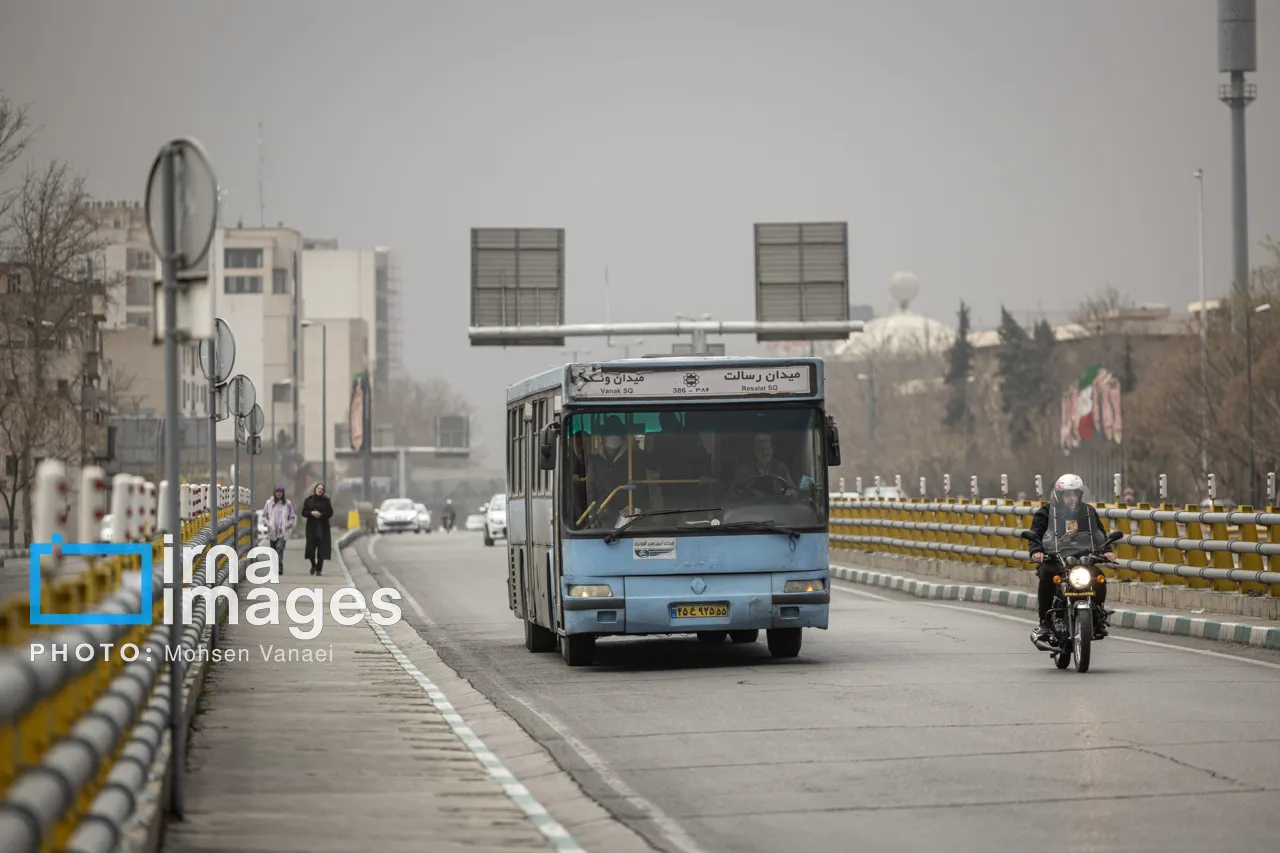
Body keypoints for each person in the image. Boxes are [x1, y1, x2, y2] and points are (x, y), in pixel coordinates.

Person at [1028, 474, 1116, 643]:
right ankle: (1044, 622)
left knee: (1099, 577)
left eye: (1075, 494)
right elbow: (1036, 535)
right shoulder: (1046, 512)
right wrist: (1037, 551)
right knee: (1047, 575)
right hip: (1055, 559)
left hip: (1082, 559)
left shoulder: (1088, 512)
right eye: (1068, 494)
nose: (1072, 498)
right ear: (1059, 495)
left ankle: (1097, 616)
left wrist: (1106, 550)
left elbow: (1098, 533)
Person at [731, 432, 796, 496]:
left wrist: (788, 493)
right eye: (761, 449)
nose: (765, 452)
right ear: (755, 451)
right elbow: (734, 491)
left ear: (772, 450)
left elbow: (792, 490)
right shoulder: (745, 470)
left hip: (776, 502)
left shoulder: (781, 467)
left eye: (768, 449)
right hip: (751, 502)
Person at [261, 485, 296, 575]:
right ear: (275, 493)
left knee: (279, 548)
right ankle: (274, 567)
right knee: (273, 551)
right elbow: (264, 516)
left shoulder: (287, 503)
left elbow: (292, 517)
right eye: (277, 492)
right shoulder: (269, 503)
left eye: (281, 492)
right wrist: (268, 523)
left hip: (283, 531)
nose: (279, 493)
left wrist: (288, 524)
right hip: (272, 531)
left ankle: (279, 568)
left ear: (283, 493)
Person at [301, 482, 334, 576]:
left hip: (323, 528)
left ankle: (319, 569)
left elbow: (330, 512)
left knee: (322, 549)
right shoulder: (309, 500)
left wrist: (321, 514)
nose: (319, 490)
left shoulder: (326, 501)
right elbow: (303, 512)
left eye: (321, 489)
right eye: (318, 489)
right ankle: (313, 564)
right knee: (311, 548)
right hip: (311, 527)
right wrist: (311, 513)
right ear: (315, 489)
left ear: (323, 491)